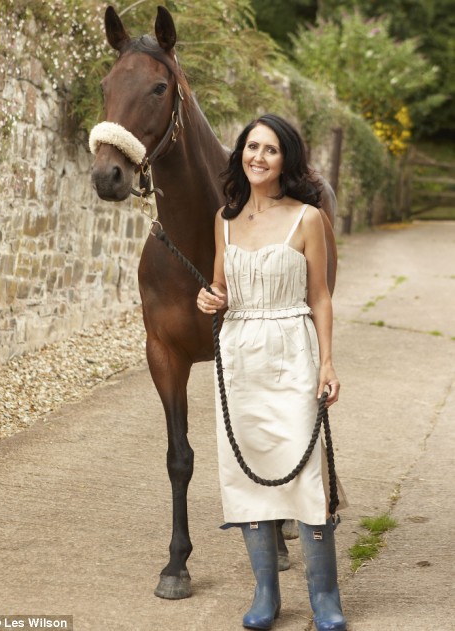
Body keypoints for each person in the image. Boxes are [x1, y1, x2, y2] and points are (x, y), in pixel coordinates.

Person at [197, 114, 347, 631]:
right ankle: (266, 594)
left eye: (271, 149)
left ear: (287, 159)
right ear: (241, 152)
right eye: (251, 147)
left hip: (293, 350)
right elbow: (221, 290)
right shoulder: (223, 219)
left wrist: (327, 363)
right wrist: (208, 298)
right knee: (245, 475)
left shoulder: (308, 218)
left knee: (306, 473)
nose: (258, 157)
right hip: (239, 359)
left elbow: (321, 296)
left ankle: (325, 598)